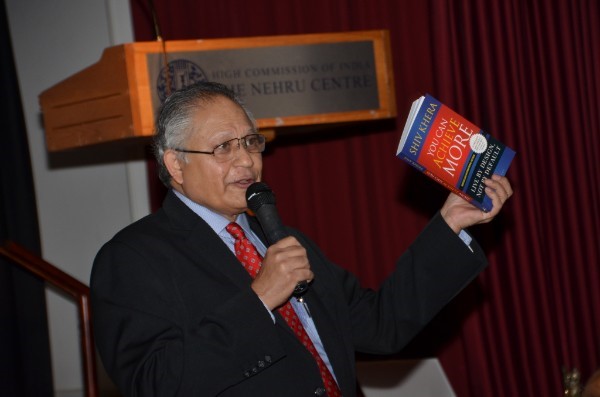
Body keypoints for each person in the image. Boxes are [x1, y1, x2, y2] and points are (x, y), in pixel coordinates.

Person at [90, 81, 513, 397]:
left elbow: (382, 326)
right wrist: (258, 301)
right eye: (223, 148)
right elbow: (153, 384)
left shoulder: (281, 239)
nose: (246, 161)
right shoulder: (133, 258)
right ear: (175, 165)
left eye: (251, 143)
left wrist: (450, 224)